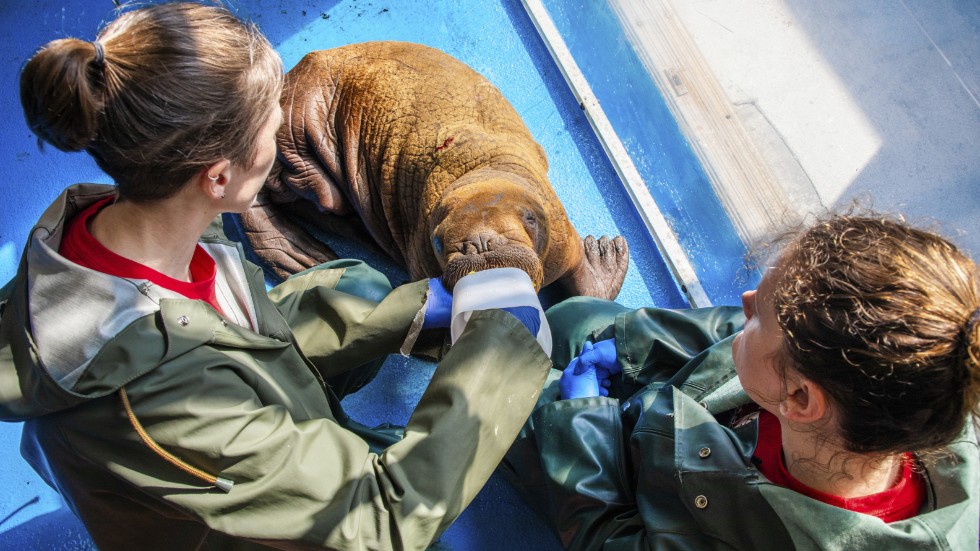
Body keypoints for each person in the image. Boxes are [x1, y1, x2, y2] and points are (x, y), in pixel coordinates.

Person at [0, 3, 552, 550]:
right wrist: (503, 346)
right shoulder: (168, 406)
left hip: (214, 410)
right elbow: (378, 518)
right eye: (272, 125)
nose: (282, 128)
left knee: (354, 286)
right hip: (222, 515)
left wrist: (405, 314)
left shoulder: (123, 226)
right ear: (218, 177)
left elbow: (220, 330)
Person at [502, 213, 980, 550]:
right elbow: (730, 330)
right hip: (669, 418)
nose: (746, 299)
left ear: (796, 397)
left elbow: (608, 534)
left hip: (623, 484)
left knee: (506, 391)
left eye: (761, 313)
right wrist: (629, 345)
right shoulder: (928, 376)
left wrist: (583, 419)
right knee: (573, 318)